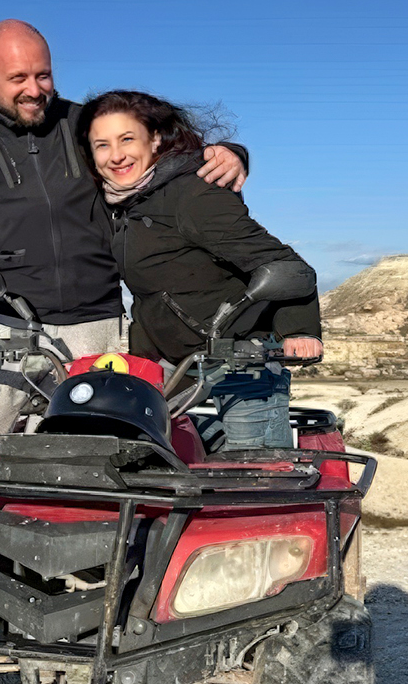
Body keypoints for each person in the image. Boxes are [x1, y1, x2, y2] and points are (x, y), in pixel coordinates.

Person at [0, 20, 249, 435]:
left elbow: (161, 153)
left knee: (114, 456)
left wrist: (229, 153)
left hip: (99, 329)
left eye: (43, 75)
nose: (34, 90)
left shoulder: (88, 126)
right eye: (17, 78)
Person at [78, 90, 322, 450]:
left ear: (155, 138)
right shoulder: (120, 205)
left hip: (240, 359)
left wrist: (300, 331)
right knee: (151, 460)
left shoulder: (193, 194)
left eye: (127, 139)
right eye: (102, 144)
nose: (116, 155)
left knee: (257, 478)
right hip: (173, 366)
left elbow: (284, 265)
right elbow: (151, 297)